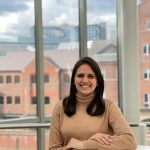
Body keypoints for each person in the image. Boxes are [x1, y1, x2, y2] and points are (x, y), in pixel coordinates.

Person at [48, 56, 137, 150]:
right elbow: (53, 148)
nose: (85, 80)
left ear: (97, 81)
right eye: (80, 75)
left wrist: (85, 145)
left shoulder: (109, 107)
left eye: (91, 76)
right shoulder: (60, 107)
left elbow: (129, 141)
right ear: (73, 80)